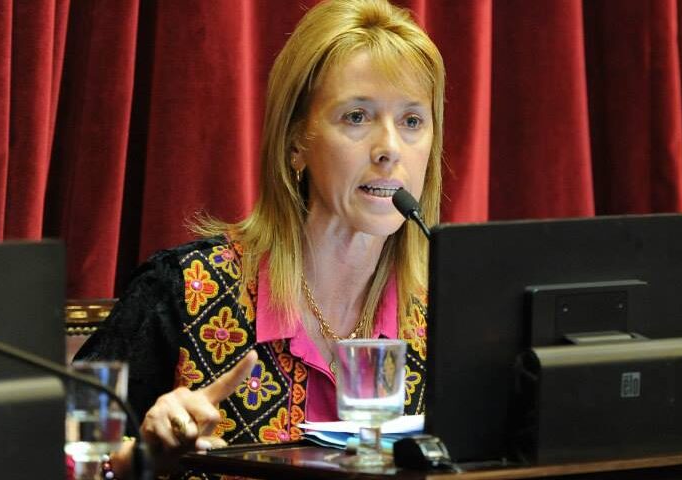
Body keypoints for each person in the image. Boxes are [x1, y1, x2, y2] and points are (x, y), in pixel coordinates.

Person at [73, 0, 445, 476]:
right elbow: (48, 453)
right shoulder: (186, 290)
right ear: (295, 143)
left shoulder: (444, 319)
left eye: (412, 121)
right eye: (357, 116)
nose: (389, 149)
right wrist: (139, 458)